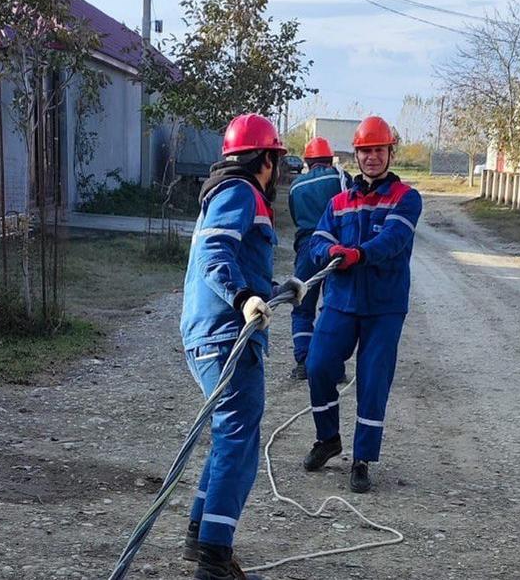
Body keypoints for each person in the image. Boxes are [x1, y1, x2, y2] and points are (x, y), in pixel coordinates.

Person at [180, 113, 305, 580]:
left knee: (228, 435)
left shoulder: (225, 193)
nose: (277, 171)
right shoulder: (240, 192)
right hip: (225, 335)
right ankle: (214, 557)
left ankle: (200, 537)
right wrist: (242, 297)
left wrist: (278, 289)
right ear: (265, 160)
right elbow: (217, 258)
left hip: (212, 333)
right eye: (276, 160)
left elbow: (240, 263)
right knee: (238, 439)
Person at [301, 116, 423, 494]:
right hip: (340, 302)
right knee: (318, 365)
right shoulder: (338, 202)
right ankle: (328, 439)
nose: (372, 157)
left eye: (378, 150)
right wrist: (330, 251)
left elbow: (393, 241)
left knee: (372, 382)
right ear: (355, 154)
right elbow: (317, 240)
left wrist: (358, 254)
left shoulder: (406, 198)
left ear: (390, 152)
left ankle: (362, 459)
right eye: (365, 151)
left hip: (384, 307)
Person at [286, 136, 351, 380]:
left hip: (306, 249)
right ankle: (333, 365)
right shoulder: (339, 177)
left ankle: (304, 362)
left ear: (307, 160)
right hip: (335, 249)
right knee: (333, 308)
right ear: (328, 158)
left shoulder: (296, 186)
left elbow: (295, 218)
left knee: (302, 308)